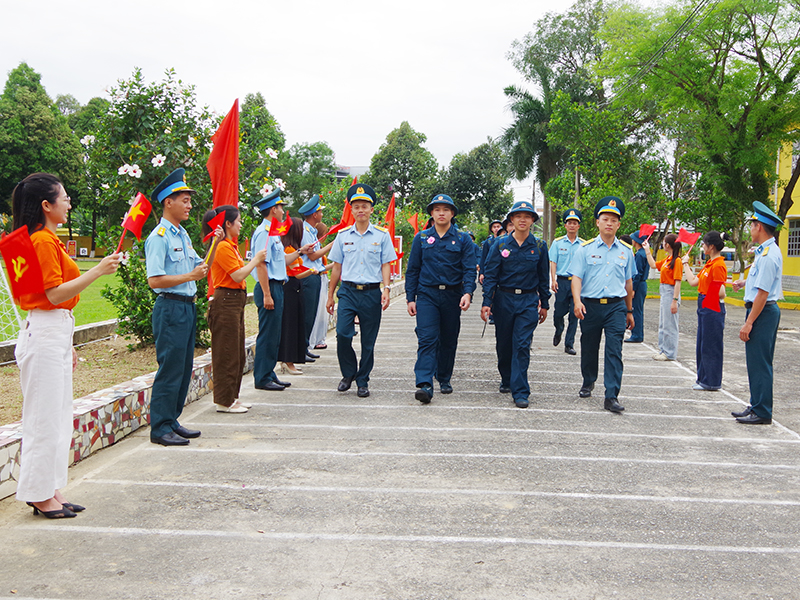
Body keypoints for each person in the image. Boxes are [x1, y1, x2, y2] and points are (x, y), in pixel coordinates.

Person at [12, 173, 120, 518]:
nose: (69, 203)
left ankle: (50, 489)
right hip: (44, 333)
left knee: (58, 417)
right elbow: (54, 294)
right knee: (44, 418)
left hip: (53, 332)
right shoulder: (43, 241)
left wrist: (67, 343)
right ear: (47, 205)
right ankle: (38, 493)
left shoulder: (50, 239)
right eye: (65, 198)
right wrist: (99, 271)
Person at [145, 168, 212, 446]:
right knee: (170, 368)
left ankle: (172, 420)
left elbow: (198, 265)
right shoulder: (160, 236)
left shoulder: (181, 235)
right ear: (167, 202)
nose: (189, 204)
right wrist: (190, 276)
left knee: (184, 368)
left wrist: (215, 243)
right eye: (184, 199)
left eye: (189, 200)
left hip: (186, 307)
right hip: (170, 307)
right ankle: (160, 428)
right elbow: (154, 280)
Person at [326, 183, 397, 398]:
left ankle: (363, 380)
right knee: (342, 334)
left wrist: (386, 289)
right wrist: (330, 295)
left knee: (368, 340)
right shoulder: (342, 235)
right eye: (356, 206)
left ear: (371, 209)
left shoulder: (382, 235)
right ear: (351, 210)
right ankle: (348, 373)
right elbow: (336, 266)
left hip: (371, 292)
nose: (360, 210)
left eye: (364, 206)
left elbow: (386, 264)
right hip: (347, 291)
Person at [405, 194, 477, 404]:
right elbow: (413, 270)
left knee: (448, 338)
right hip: (427, 294)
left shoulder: (463, 239)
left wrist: (468, 292)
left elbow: (469, 269)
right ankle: (425, 384)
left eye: (446, 209)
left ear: (452, 213)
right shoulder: (421, 238)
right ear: (432, 214)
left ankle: (444, 377)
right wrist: (411, 298)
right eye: (437, 209)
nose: (441, 213)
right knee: (427, 338)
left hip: (452, 295)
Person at [481, 200, 550, 409]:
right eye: (518, 216)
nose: (522, 219)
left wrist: (544, 303)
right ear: (511, 219)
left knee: (522, 344)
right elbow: (491, 275)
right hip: (503, 300)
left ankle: (520, 391)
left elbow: (543, 277)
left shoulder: (539, 246)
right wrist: (487, 302)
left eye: (527, 216)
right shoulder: (499, 245)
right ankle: (507, 377)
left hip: (528, 301)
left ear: (532, 221)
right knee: (504, 344)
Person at [570, 196, 635, 414]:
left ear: (618, 224)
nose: (609, 223)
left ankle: (611, 395)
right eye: (605, 219)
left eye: (613, 220)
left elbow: (628, 282)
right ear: (597, 222)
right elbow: (577, 278)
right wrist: (577, 301)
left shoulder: (627, 251)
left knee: (614, 349)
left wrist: (629, 310)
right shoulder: (584, 249)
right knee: (589, 346)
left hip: (616, 306)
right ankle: (588, 380)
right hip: (590, 305)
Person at [202, 205, 266, 413]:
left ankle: (232, 397)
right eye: (238, 221)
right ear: (227, 224)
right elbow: (238, 275)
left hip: (234, 301)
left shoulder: (230, 246)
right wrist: (255, 261)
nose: (240, 224)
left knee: (236, 352)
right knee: (226, 352)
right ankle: (224, 400)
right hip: (225, 301)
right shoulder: (221, 247)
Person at [250, 189, 310, 392]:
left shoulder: (273, 233)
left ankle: (269, 372)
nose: (283, 212)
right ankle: (262, 377)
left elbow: (280, 261)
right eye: (280, 208)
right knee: (267, 334)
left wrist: (300, 252)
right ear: (273, 209)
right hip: (270, 287)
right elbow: (261, 265)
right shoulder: (263, 233)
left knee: (275, 334)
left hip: (278, 285)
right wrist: (267, 294)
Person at [731, 202, 784, 425]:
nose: (750, 230)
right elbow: (759, 281)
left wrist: (749, 322)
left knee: (760, 363)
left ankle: (762, 411)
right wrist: (744, 282)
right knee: (755, 363)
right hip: (760, 310)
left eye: (752, 225)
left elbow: (763, 293)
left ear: (759, 227)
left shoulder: (769, 254)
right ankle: (756, 404)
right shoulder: (764, 252)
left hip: (762, 312)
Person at [681, 231, 729, 391]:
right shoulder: (709, 264)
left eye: (704, 244)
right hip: (704, 303)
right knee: (702, 342)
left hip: (712, 304)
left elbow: (722, 291)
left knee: (711, 344)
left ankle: (711, 381)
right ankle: (703, 378)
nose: (702, 246)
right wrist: (685, 265)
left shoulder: (718, 265)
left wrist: (709, 293)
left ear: (712, 246)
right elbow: (694, 282)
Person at [278, 216, 317, 375]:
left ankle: (289, 360)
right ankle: (287, 361)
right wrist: (311, 271)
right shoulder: (289, 250)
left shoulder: (292, 249)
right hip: (290, 289)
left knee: (294, 325)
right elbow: (295, 273)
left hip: (295, 289)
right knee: (290, 326)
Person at [298, 195, 333, 359]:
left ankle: (305, 347)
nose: (321, 214)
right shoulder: (306, 232)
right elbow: (312, 257)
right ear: (314, 215)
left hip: (315, 276)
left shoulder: (311, 231)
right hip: (307, 276)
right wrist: (332, 245)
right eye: (320, 212)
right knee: (306, 314)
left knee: (310, 314)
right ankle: (302, 348)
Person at [641, 233, 682, 361]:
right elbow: (653, 265)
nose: (663, 244)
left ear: (668, 245)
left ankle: (670, 353)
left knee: (670, 324)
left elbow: (678, 281)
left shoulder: (677, 261)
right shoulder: (668, 260)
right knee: (663, 323)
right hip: (664, 291)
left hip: (670, 292)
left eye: (664, 242)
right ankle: (663, 349)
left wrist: (675, 300)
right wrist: (647, 250)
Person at [549, 208, 584, 356]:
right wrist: (553, 279)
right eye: (569, 222)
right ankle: (559, 329)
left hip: (577, 283)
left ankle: (569, 344)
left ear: (578, 226)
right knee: (558, 313)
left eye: (574, 223)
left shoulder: (583, 245)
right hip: (562, 282)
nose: (571, 225)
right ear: (565, 225)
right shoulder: (557, 243)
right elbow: (553, 262)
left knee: (574, 314)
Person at [308, 222, 333, 351]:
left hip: (323, 277)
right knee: (317, 310)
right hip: (319, 276)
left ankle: (318, 338)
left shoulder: (318, 246)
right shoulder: (315, 247)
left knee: (321, 311)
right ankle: (313, 340)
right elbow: (319, 266)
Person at [624, 230, 649, 343]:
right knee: (638, 309)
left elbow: (637, 273)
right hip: (642, 284)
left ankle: (637, 334)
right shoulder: (644, 253)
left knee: (636, 310)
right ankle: (637, 333)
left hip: (638, 285)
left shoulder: (639, 254)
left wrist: (633, 288)